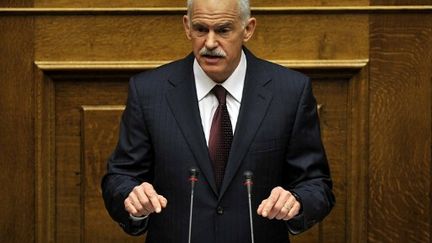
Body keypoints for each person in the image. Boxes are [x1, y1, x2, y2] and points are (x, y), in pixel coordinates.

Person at [101, 0, 335, 242]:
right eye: (201, 29)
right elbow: (119, 177)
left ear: (248, 29)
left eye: (223, 30)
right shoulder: (149, 92)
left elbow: (317, 185)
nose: (210, 43)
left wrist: (296, 201)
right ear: (187, 26)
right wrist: (131, 197)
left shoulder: (290, 92)